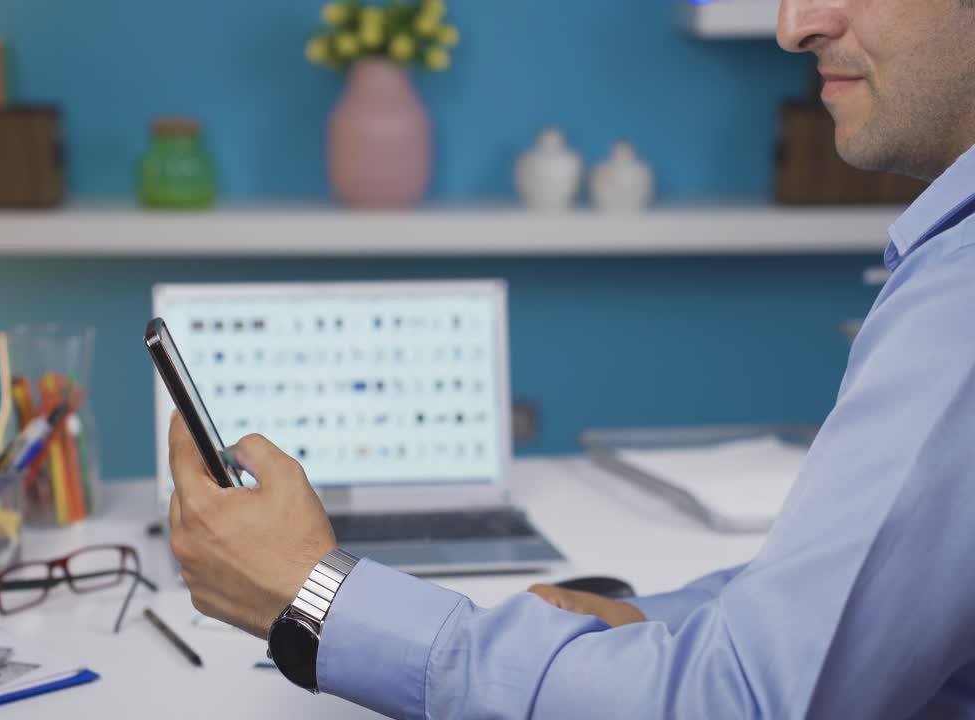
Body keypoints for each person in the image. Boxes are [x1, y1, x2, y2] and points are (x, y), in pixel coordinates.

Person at [165, 0, 975, 715]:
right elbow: (853, 607)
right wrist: (654, 623)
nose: (794, 24)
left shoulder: (958, 300)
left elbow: (744, 703)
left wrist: (318, 597)